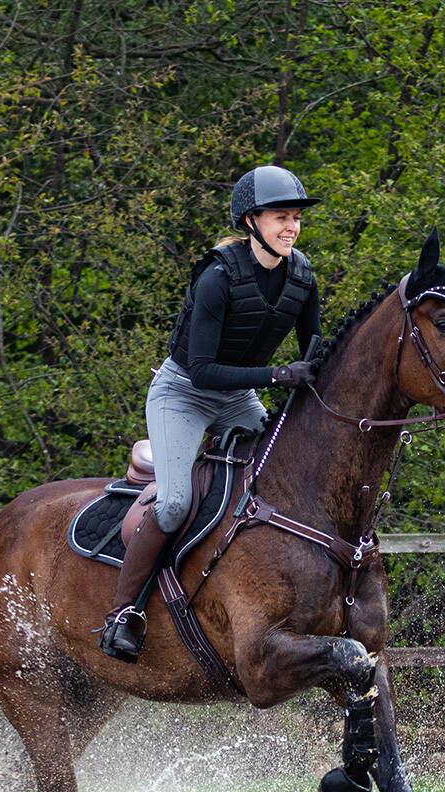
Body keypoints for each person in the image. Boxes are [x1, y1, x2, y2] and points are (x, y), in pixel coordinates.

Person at [99, 165, 323, 662]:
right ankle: (122, 615)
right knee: (176, 501)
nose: (292, 227)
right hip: (183, 392)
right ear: (251, 221)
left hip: (240, 395)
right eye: (281, 218)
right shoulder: (217, 277)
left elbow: (314, 347)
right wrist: (275, 376)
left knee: (279, 482)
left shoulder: (301, 274)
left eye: (296, 219)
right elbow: (200, 370)